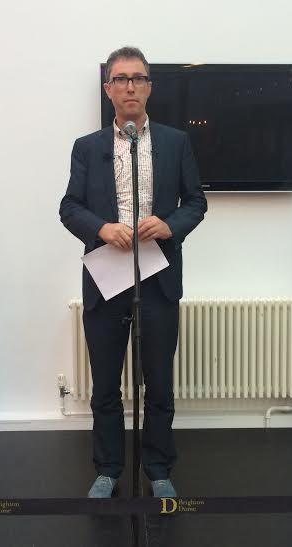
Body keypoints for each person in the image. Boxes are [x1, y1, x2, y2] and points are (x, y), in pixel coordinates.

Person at [59, 46, 207, 498]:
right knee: (105, 383)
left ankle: (158, 469)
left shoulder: (175, 142)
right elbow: (70, 207)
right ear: (108, 89)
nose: (129, 87)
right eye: (120, 79)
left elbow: (196, 202)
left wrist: (170, 224)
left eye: (137, 78)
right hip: (106, 281)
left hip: (158, 279)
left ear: (149, 87)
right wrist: (102, 228)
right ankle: (108, 469)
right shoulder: (87, 148)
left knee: (158, 382)